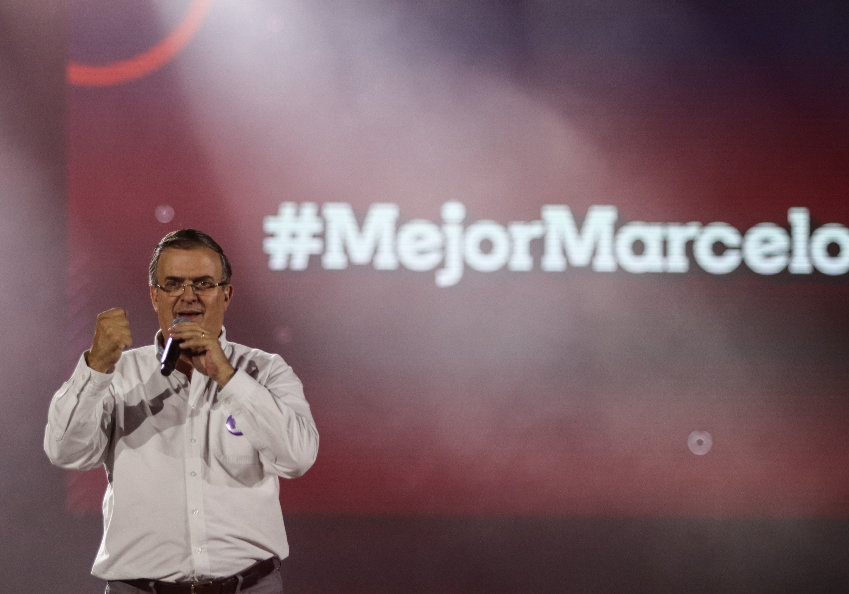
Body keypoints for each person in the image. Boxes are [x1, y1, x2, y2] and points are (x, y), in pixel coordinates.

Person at [44, 229, 319, 593]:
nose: (188, 296)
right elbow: (66, 451)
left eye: (203, 283)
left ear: (227, 293)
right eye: (173, 284)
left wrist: (227, 376)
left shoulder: (265, 371)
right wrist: (95, 367)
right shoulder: (118, 373)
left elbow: (297, 458)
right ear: (155, 296)